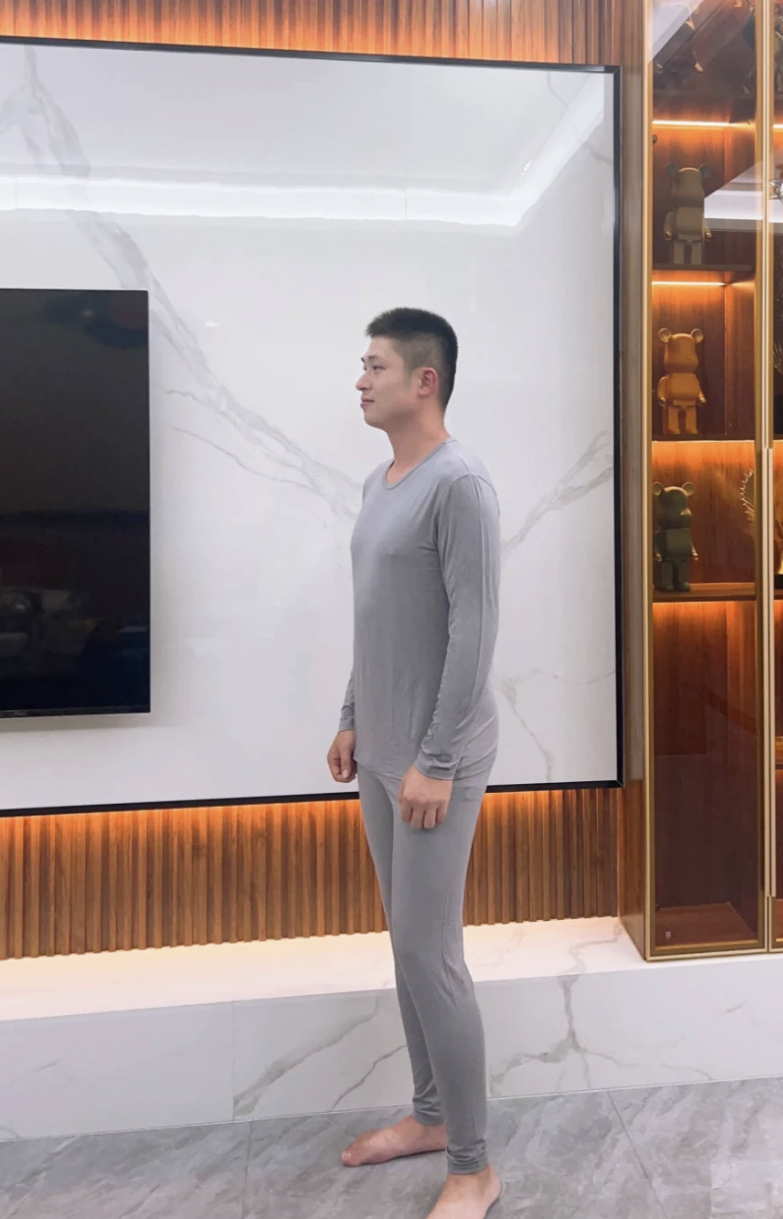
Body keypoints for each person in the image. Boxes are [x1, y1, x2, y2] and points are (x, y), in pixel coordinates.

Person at [327, 307, 502, 1219]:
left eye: (375, 365)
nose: (360, 380)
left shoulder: (459, 484)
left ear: (423, 381)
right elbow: (376, 613)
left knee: (431, 955)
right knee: (406, 943)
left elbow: (474, 632)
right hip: (383, 752)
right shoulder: (379, 481)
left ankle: (473, 1166)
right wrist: (352, 716)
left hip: (440, 757)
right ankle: (431, 1116)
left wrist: (435, 759)